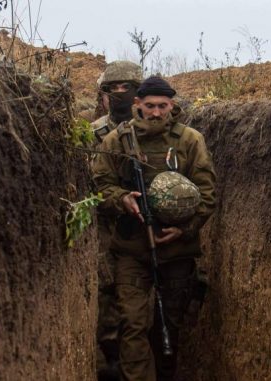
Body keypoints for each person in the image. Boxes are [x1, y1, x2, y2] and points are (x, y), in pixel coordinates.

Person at [91, 76, 216, 381]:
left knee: (168, 326)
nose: (157, 113)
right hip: (131, 250)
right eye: (150, 106)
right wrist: (121, 199)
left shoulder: (190, 140)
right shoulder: (117, 141)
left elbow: (207, 192)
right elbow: (101, 184)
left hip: (176, 251)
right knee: (131, 325)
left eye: (163, 106)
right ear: (138, 105)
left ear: (172, 105)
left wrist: (185, 229)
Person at [91, 60, 143, 380]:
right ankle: (112, 364)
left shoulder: (154, 126)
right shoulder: (95, 132)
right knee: (107, 294)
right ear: (105, 95)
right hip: (106, 226)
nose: (120, 95)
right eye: (114, 89)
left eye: (128, 88)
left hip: (145, 226)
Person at [91, 60, 143, 141]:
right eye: (114, 88)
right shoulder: (95, 131)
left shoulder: (148, 128)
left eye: (126, 87)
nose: (119, 92)